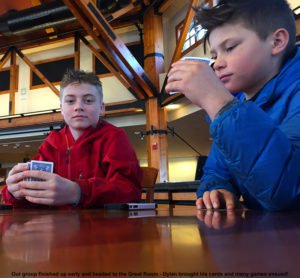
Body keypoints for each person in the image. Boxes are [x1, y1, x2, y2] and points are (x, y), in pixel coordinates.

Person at [166, 0, 300, 211]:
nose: (217, 63)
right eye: (214, 55)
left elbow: (290, 194)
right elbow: (216, 171)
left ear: (276, 41)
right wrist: (217, 189)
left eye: (229, 48)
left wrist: (217, 102)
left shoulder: (227, 108)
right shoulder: (234, 107)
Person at [2, 70, 143, 208]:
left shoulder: (116, 138)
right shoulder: (51, 144)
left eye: (88, 100)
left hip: (104, 227)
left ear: (101, 108)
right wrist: (14, 192)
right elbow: (32, 196)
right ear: (62, 109)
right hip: (58, 228)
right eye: (70, 101)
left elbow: (129, 192)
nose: (79, 107)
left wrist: (77, 192)